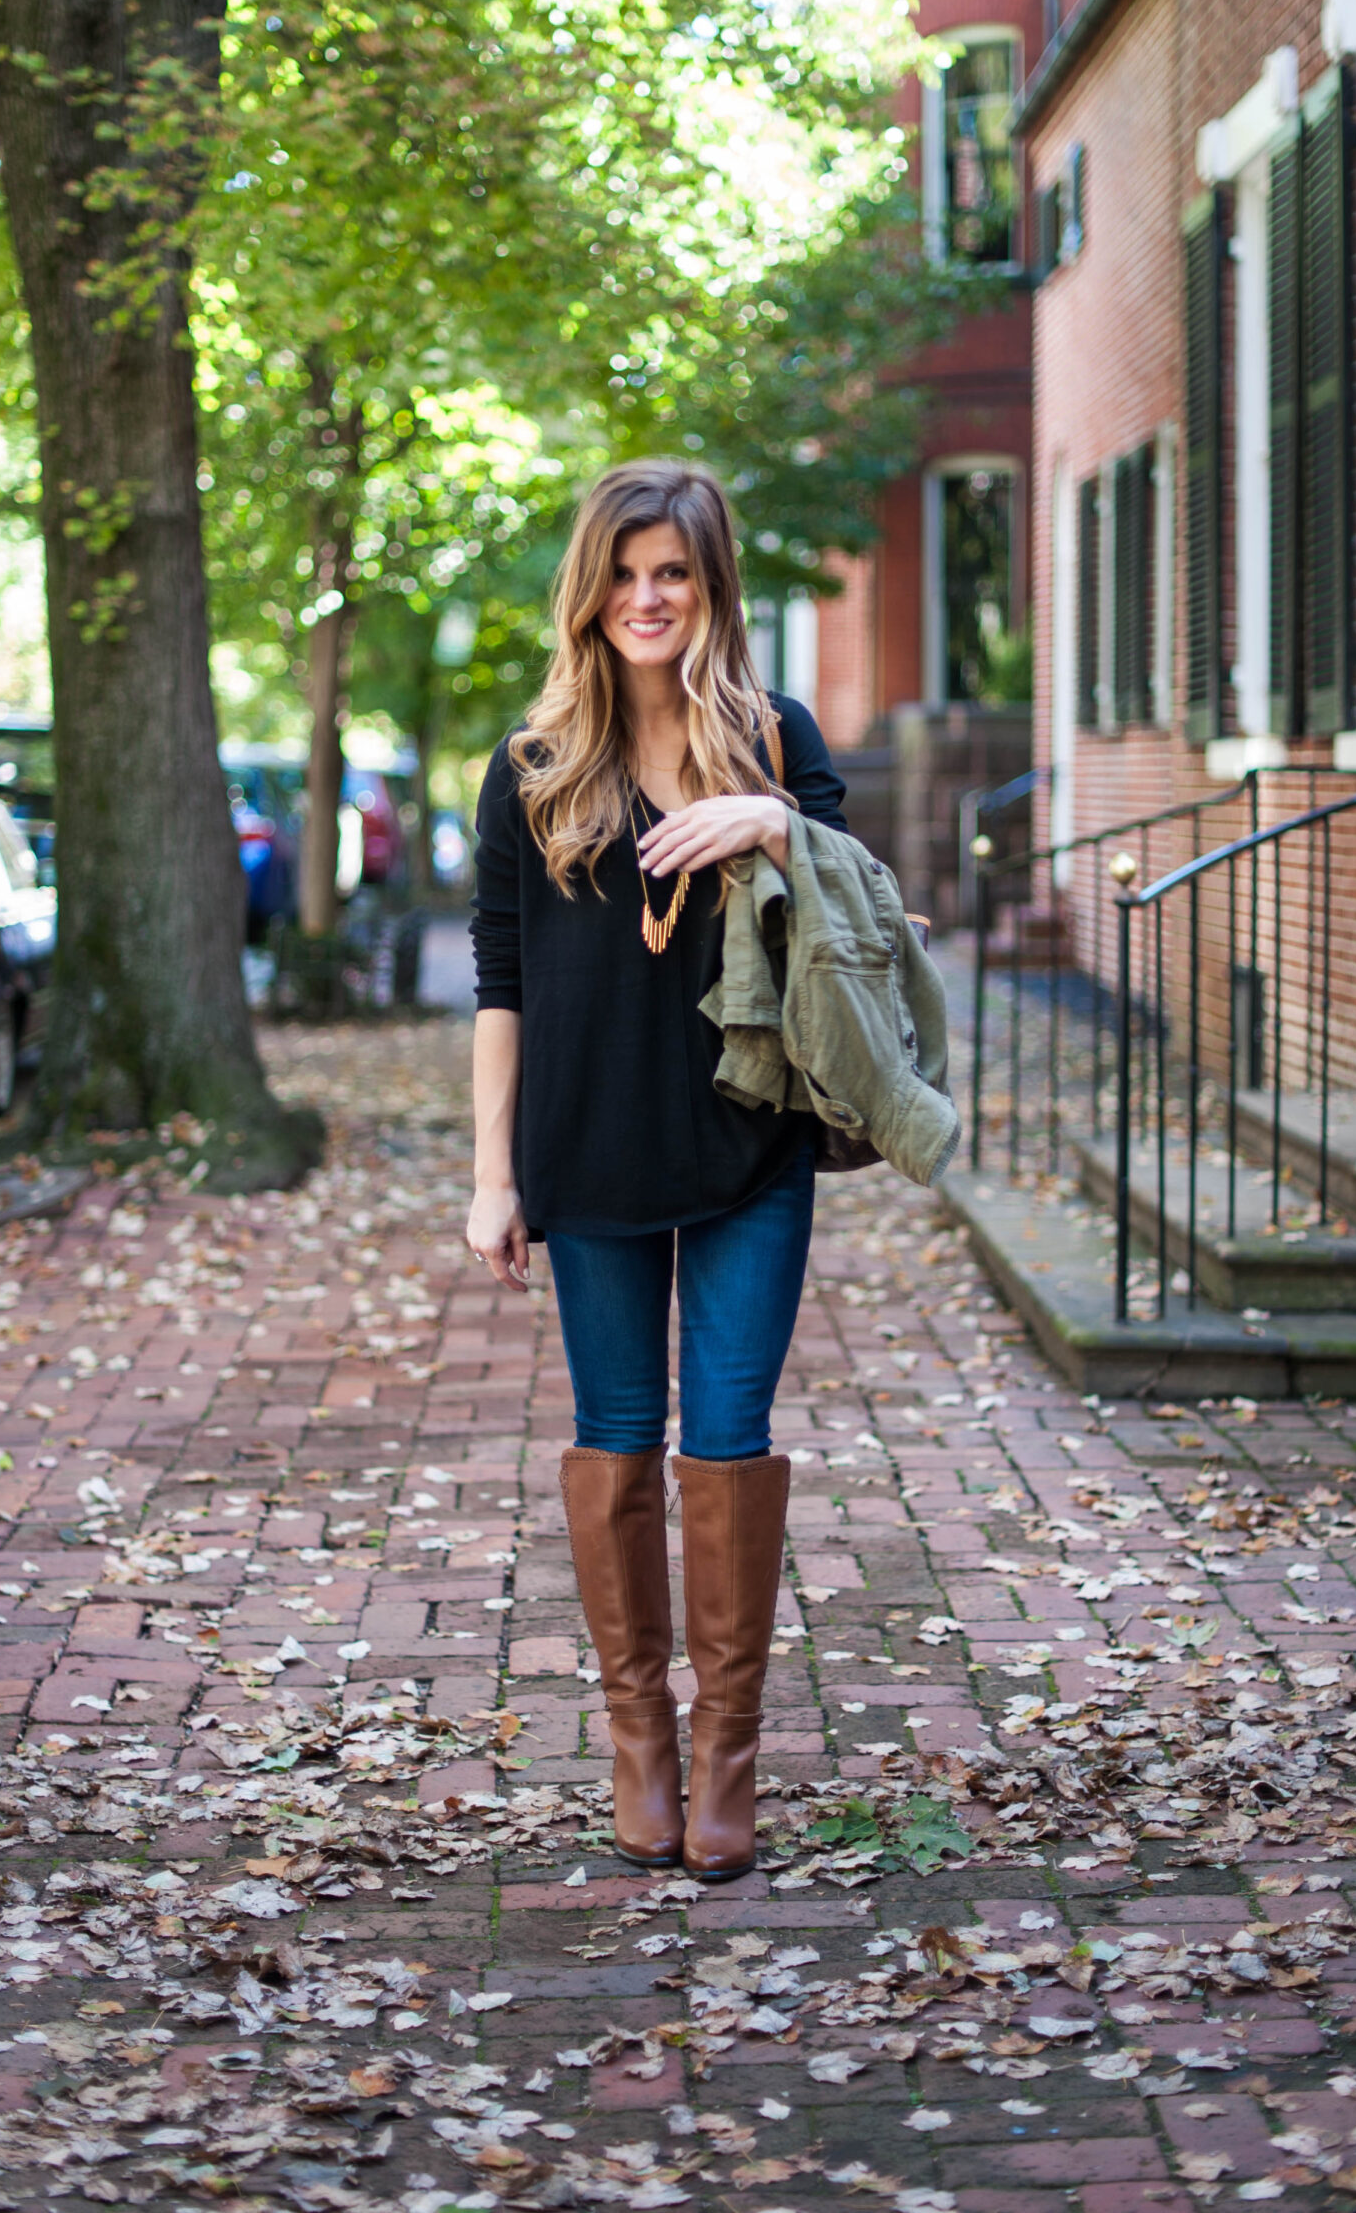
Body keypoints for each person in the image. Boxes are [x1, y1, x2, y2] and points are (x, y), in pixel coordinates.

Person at [466, 457, 847, 1882]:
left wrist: (775, 820)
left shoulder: (776, 737)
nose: (647, 599)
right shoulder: (530, 772)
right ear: (591, 590)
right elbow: (500, 984)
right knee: (616, 1436)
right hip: (589, 1150)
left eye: (672, 572)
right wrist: (491, 1175)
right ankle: (643, 1747)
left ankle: (730, 1755)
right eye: (624, 574)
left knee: (727, 1439)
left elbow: (861, 915)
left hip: (754, 1146)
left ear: (709, 585)